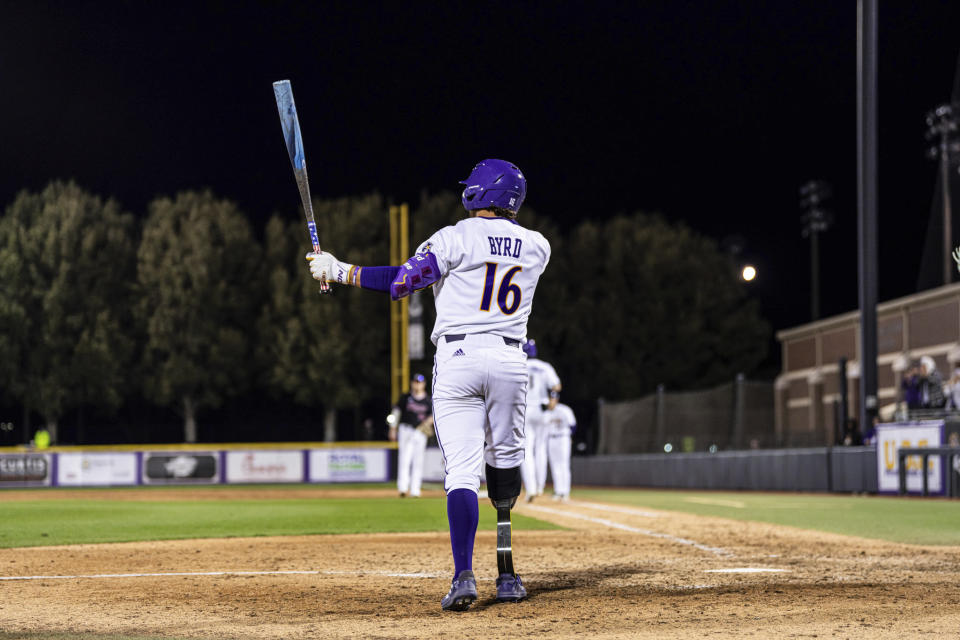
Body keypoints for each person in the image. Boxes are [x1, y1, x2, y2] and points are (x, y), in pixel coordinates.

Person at [306, 159, 549, 611]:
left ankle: (463, 576)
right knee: (505, 460)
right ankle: (507, 572)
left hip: (458, 357)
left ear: (479, 192)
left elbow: (403, 283)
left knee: (461, 472)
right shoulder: (538, 246)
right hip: (512, 358)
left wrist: (339, 271)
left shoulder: (453, 236)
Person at [520, 339, 561, 500]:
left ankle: (530, 488)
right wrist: (553, 399)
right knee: (541, 448)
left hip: (524, 410)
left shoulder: (518, 364)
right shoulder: (545, 367)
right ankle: (540, 486)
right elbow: (556, 386)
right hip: (542, 410)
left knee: (527, 450)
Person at [388, 373, 433, 498]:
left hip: (420, 432)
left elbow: (433, 415)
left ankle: (415, 490)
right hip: (406, 429)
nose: (417, 384)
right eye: (415, 382)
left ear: (423, 384)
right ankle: (403, 488)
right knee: (404, 459)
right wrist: (392, 428)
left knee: (418, 461)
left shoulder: (428, 400)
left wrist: (427, 422)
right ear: (412, 383)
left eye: (419, 382)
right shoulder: (405, 398)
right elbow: (395, 413)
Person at [541, 397, 576, 501]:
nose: (549, 404)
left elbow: (573, 425)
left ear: (555, 400)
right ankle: (558, 491)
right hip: (551, 439)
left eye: (550, 401)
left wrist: (570, 436)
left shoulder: (564, 410)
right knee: (554, 465)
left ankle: (565, 492)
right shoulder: (546, 413)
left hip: (563, 438)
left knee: (564, 464)